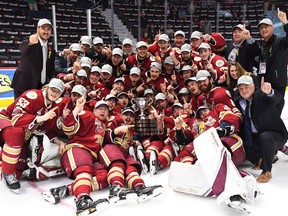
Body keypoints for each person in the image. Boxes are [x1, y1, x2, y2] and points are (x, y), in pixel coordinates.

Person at [0, 78, 67, 193]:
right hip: (6, 122)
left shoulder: (52, 106)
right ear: (47, 88)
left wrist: (59, 142)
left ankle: (5, 162)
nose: (55, 93)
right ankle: (7, 173)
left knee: (20, 169)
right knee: (17, 133)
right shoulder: (33, 96)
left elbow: (46, 130)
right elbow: (16, 119)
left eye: (58, 91)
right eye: (53, 89)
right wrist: (40, 118)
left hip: (24, 134)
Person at [234, 75, 288, 183]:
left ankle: (266, 171)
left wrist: (270, 93)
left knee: (266, 138)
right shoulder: (238, 99)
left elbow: (278, 100)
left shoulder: (261, 95)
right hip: (255, 135)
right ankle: (261, 158)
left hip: (275, 133)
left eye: (247, 87)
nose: (244, 91)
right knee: (240, 141)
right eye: (241, 88)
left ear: (253, 87)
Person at [61, 99, 110, 215]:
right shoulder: (88, 115)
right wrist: (77, 108)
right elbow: (67, 127)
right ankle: (83, 201)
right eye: (100, 108)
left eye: (105, 109)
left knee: (105, 177)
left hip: (91, 157)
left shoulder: (104, 125)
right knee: (85, 170)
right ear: (94, 110)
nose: (103, 111)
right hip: (78, 149)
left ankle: (65, 190)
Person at [11, 18, 55, 99]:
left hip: (40, 87)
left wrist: (52, 80)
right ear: (37, 29)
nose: (46, 32)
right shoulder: (30, 40)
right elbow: (22, 48)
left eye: (48, 29)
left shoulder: (51, 50)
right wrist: (30, 43)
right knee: (19, 110)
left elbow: (51, 68)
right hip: (24, 85)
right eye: (43, 29)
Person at [257, 9, 288, 113]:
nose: (263, 29)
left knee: (275, 114)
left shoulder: (280, 42)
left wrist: (285, 22)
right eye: (261, 28)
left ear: (272, 28)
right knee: (266, 114)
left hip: (277, 85)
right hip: (264, 85)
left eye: (266, 27)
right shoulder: (262, 46)